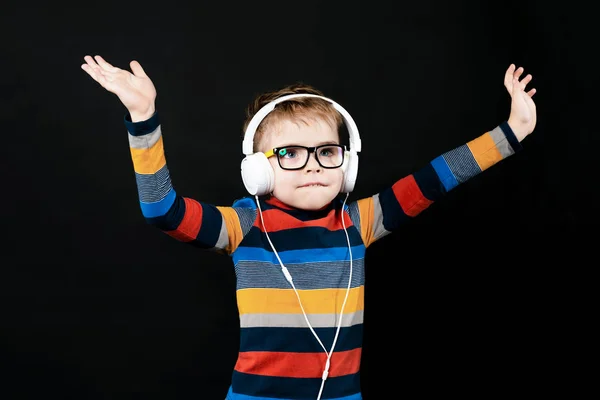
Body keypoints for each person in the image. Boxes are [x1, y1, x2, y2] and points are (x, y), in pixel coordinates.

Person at [81, 54, 537, 400]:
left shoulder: (359, 221)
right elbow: (163, 210)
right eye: (290, 153)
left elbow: (436, 178)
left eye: (326, 150)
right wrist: (144, 118)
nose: (313, 165)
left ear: (347, 163)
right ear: (257, 170)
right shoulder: (245, 223)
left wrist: (511, 131)